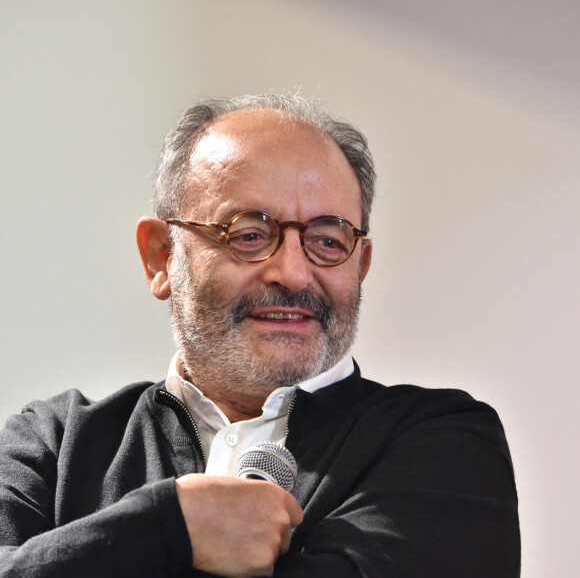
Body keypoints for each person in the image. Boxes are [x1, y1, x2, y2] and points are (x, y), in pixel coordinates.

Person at [0, 94, 520, 577]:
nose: (293, 273)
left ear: (360, 265)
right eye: (248, 235)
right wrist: (168, 528)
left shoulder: (445, 444)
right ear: (161, 256)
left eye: (327, 239)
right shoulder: (53, 442)